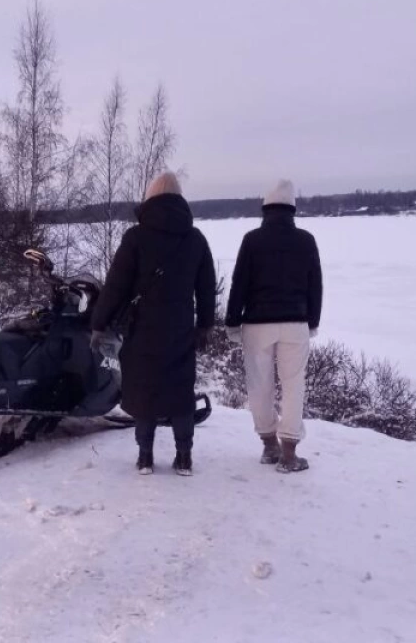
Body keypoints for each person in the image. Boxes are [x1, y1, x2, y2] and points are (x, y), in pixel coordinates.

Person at [91, 172, 216, 476]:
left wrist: (99, 322)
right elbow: (207, 287)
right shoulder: (195, 239)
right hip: (180, 327)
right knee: (180, 390)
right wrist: (205, 325)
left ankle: (145, 456)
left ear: (150, 198)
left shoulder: (135, 238)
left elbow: (116, 285)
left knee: (144, 388)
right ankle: (184, 456)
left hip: (142, 327)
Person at [224, 180, 322, 473]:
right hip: (295, 323)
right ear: (292, 209)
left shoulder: (251, 240)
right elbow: (315, 285)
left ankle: (269, 446)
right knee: (294, 386)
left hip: (257, 325)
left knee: (260, 386)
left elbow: (239, 283)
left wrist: (232, 322)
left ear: (265, 208)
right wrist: (312, 321)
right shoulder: (306, 240)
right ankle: (289, 454)